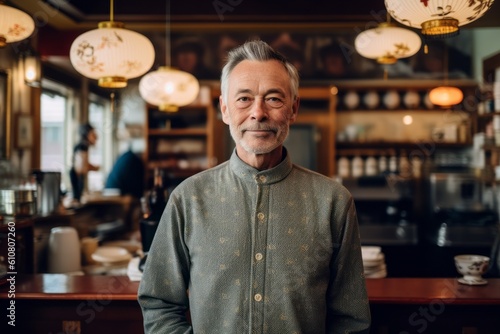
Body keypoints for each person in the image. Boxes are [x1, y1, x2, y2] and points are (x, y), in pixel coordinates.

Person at [138, 40, 371, 333]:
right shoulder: (188, 198)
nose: (258, 113)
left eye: (274, 99)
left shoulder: (333, 201)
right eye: (244, 99)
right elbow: (159, 303)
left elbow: (351, 320)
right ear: (225, 109)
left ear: (293, 109)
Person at [69, 123, 99, 204]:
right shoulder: (83, 146)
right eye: (93, 134)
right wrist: (95, 168)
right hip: (76, 177)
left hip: (77, 176)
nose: (96, 137)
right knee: (77, 198)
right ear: (87, 135)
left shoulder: (83, 146)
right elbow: (81, 167)